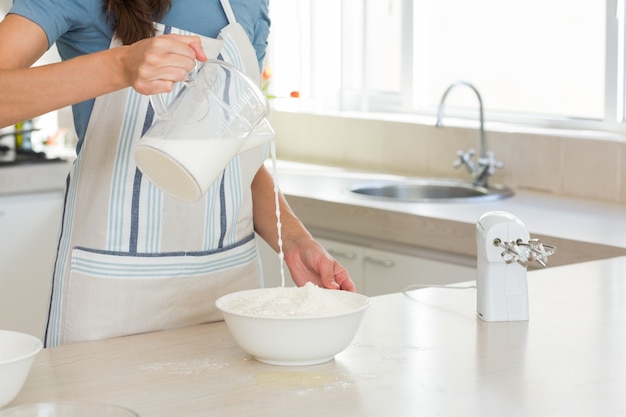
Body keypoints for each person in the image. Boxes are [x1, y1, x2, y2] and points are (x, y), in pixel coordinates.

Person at [0, 0, 356, 347]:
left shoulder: (249, 6)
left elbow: (231, 154)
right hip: (113, 300)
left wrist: (295, 242)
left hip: (227, 295)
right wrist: (121, 66)